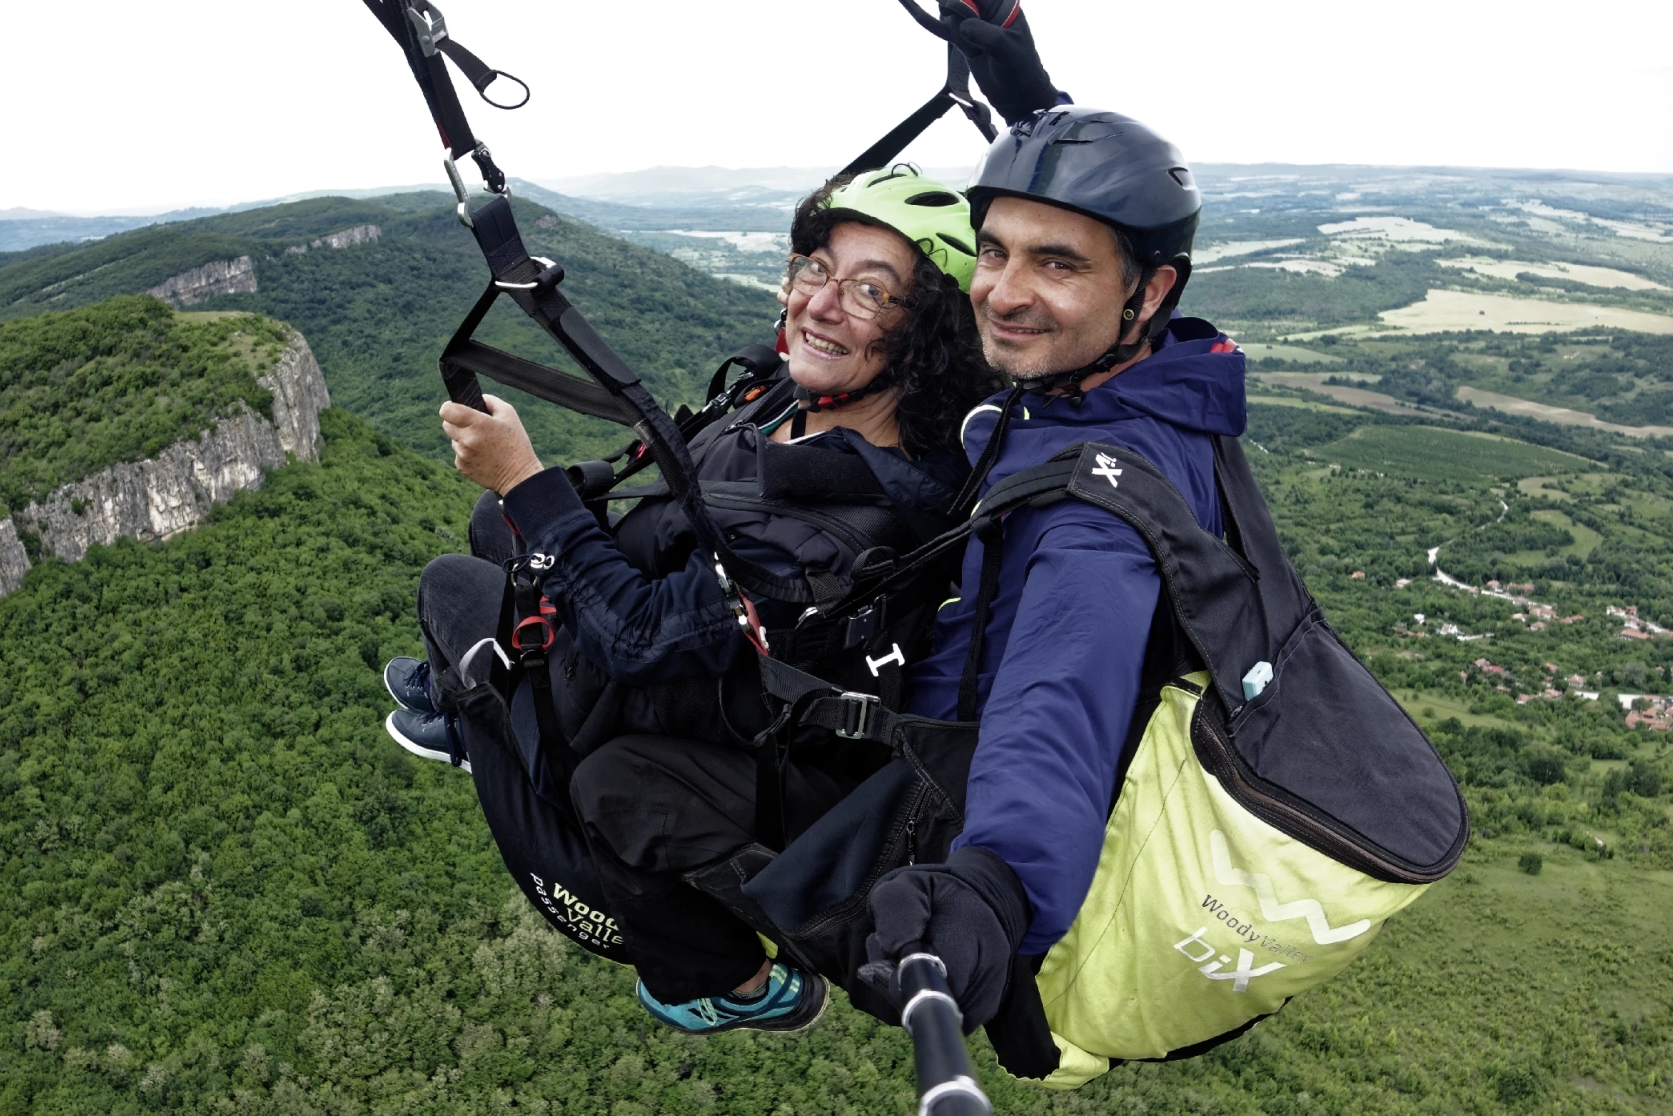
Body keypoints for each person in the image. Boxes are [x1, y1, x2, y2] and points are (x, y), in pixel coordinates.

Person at [388, 166, 999, 1033]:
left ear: (925, 334)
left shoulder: (841, 527)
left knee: (453, 588)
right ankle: (476, 694)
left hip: (684, 730)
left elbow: (636, 637)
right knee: (495, 527)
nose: (820, 303)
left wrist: (527, 479)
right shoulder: (795, 394)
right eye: (815, 268)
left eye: (872, 291)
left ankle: (717, 982)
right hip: (693, 662)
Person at [852, 106, 1251, 1035]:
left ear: (1147, 293)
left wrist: (995, 885)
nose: (1000, 291)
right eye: (994, 251)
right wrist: (1021, 86)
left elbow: (1057, 703)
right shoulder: (1139, 378)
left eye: (1057, 264)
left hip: (950, 790)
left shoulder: (1096, 511)